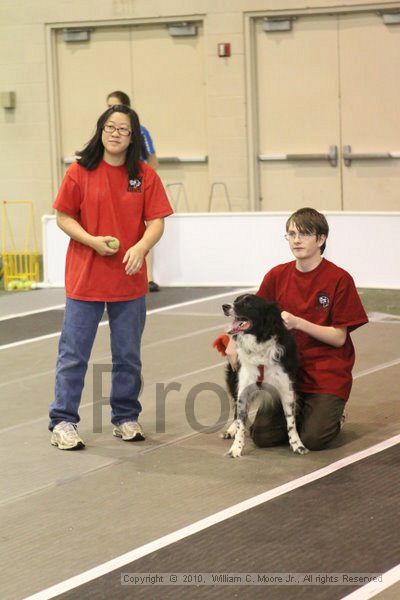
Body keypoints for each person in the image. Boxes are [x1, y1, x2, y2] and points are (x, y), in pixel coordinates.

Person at [49, 104, 173, 450]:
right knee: (73, 354)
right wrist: (90, 240)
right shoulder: (79, 171)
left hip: (128, 282)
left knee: (128, 355)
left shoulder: (144, 176)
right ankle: (62, 421)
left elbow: (158, 221)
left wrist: (141, 247)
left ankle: (125, 417)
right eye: (110, 127)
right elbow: (63, 216)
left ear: (133, 136)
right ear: (100, 130)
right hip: (85, 280)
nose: (116, 133)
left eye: (123, 129)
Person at [215, 207, 368, 451]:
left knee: (314, 439)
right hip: (282, 370)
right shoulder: (277, 275)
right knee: (263, 437)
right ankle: (296, 412)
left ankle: (331, 414)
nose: (296, 240)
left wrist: (299, 323)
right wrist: (232, 341)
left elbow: (339, 338)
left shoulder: (339, 279)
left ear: (321, 239)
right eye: (291, 234)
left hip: (324, 373)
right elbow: (248, 316)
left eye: (304, 234)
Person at [106, 91, 160, 292]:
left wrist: (142, 183)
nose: (110, 110)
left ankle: (148, 277)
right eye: (108, 106)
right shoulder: (106, 133)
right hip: (115, 191)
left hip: (135, 187)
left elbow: (153, 161)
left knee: (145, 230)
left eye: (114, 105)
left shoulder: (141, 132)